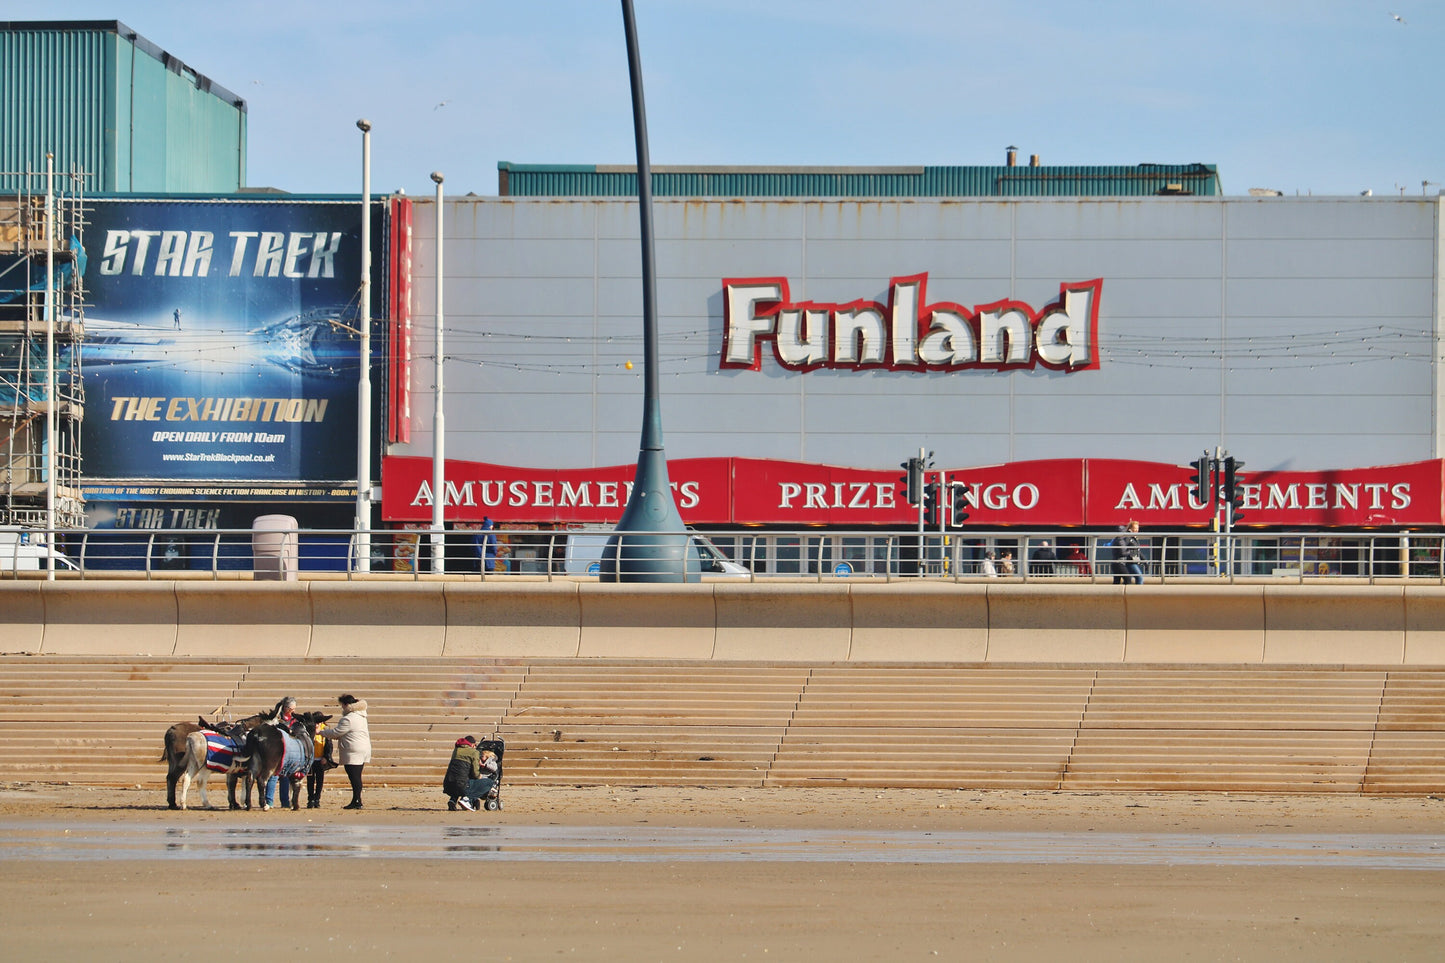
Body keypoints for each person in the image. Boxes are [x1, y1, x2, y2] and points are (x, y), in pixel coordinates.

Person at [332, 693, 372, 809]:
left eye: (342, 705)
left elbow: (336, 733)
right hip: (363, 749)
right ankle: (356, 799)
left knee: (354, 776)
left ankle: (357, 800)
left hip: (353, 751)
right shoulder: (361, 716)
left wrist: (321, 732)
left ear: (346, 705)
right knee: (357, 776)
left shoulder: (348, 719)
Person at [442, 735, 499, 812]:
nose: (475, 747)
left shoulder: (456, 750)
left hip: (448, 785)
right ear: (472, 744)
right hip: (462, 785)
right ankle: (466, 800)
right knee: (489, 782)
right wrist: (481, 776)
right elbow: (475, 774)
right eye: (475, 745)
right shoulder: (474, 752)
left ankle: (453, 800)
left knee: (459, 779)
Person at [264, 696, 299, 808]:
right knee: (274, 775)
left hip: (289, 750)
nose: (293, 711)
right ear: (286, 708)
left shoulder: (295, 720)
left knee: (285, 776)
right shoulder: (276, 718)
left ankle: (285, 802)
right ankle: (269, 801)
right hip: (276, 750)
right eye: (292, 709)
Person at [1114, 520, 1144, 585]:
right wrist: (1130, 552)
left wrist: (1143, 560)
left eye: (1137, 528)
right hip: (1130, 561)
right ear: (1130, 529)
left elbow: (1137, 550)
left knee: (1126, 579)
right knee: (1139, 578)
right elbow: (1125, 549)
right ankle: (1138, 593)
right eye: (1135, 528)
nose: (1136, 530)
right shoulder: (1128, 537)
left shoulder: (1134, 538)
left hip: (1133, 561)